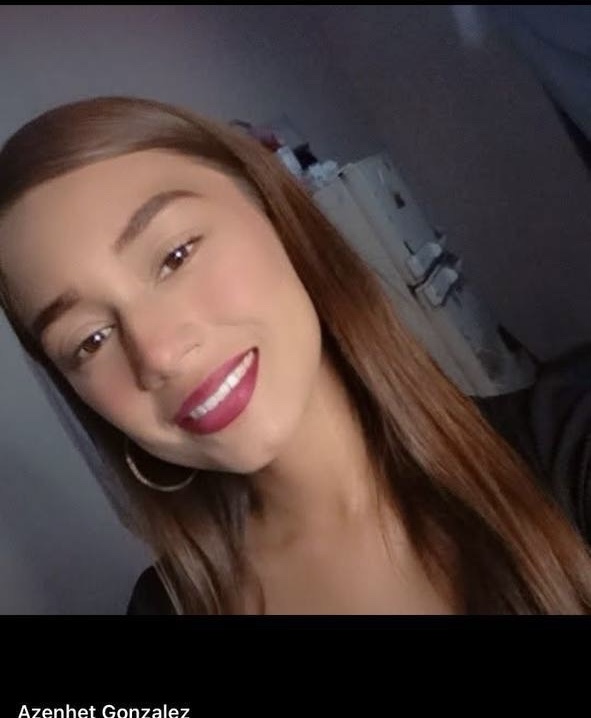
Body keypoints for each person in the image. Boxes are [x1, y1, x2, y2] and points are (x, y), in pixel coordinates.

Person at [0, 96, 590, 616]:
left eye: (176, 256)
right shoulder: (164, 608)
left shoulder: (566, 451)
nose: (158, 354)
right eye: (90, 340)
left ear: (276, 216)